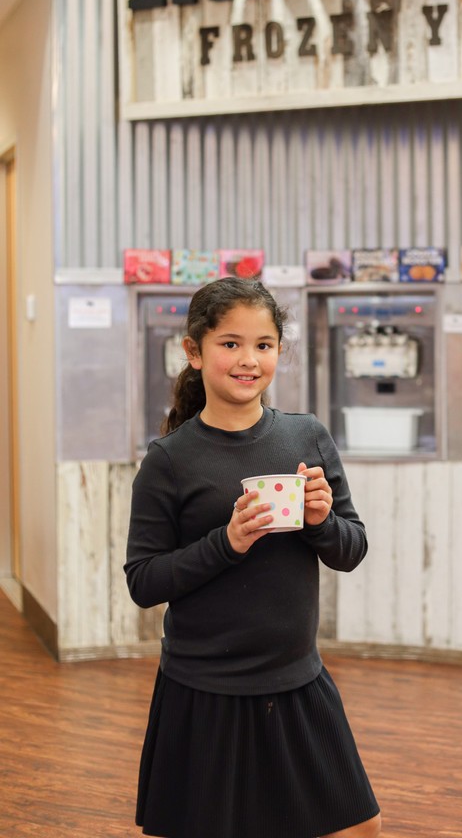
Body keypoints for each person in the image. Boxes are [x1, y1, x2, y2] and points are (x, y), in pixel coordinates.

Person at [124, 277, 382, 838]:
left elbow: (352, 548)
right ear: (194, 352)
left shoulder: (306, 436)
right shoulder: (168, 460)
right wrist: (228, 541)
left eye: (263, 345)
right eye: (230, 344)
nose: (248, 360)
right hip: (204, 693)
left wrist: (320, 522)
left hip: (297, 681)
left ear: (278, 353)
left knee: (360, 828)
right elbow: (143, 581)